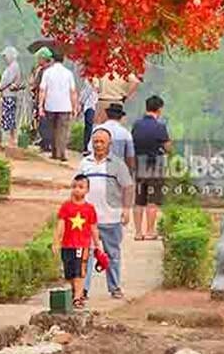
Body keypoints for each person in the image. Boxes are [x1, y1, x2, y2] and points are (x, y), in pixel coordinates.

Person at [80, 127, 134, 300]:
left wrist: (126, 210)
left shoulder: (118, 165)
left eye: (102, 141)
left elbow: (127, 187)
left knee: (112, 255)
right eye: (95, 141)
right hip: (88, 220)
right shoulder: (85, 164)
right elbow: (77, 188)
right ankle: (83, 290)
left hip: (111, 218)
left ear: (109, 144)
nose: (98, 145)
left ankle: (115, 287)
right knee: (85, 256)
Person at [53, 174, 104, 310]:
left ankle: (77, 298)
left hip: (82, 245)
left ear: (87, 190)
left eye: (81, 187)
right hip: (67, 245)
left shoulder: (90, 209)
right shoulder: (66, 207)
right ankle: (75, 294)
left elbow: (94, 228)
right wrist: (56, 242)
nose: (77, 189)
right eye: (74, 186)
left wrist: (98, 245)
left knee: (79, 271)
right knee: (69, 273)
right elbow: (60, 225)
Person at [131, 95, 171, 241]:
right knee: (152, 201)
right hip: (155, 167)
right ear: (159, 109)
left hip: (139, 166)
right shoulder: (160, 127)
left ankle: (137, 233)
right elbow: (168, 148)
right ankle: (149, 231)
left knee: (139, 200)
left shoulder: (137, 125)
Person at [38, 48, 78, 162]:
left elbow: (42, 90)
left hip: (50, 105)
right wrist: (75, 106)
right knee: (63, 130)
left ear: (53, 59)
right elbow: (73, 91)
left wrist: (41, 105)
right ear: (63, 60)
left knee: (53, 129)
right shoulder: (68, 73)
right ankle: (62, 152)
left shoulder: (47, 72)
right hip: (65, 105)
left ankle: (55, 152)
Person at [87, 103, 136, 173]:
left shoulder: (97, 129)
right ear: (121, 117)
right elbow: (130, 157)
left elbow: (90, 150)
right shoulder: (126, 133)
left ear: (107, 115)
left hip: (98, 169)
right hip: (117, 170)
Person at [0, 46, 23, 147]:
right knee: (8, 116)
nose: (5, 58)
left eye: (6, 56)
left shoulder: (14, 66)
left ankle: (12, 138)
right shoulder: (11, 66)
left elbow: (7, 80)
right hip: (7, 94)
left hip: (10, 95)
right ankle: (11, 138)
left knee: (10, 116)